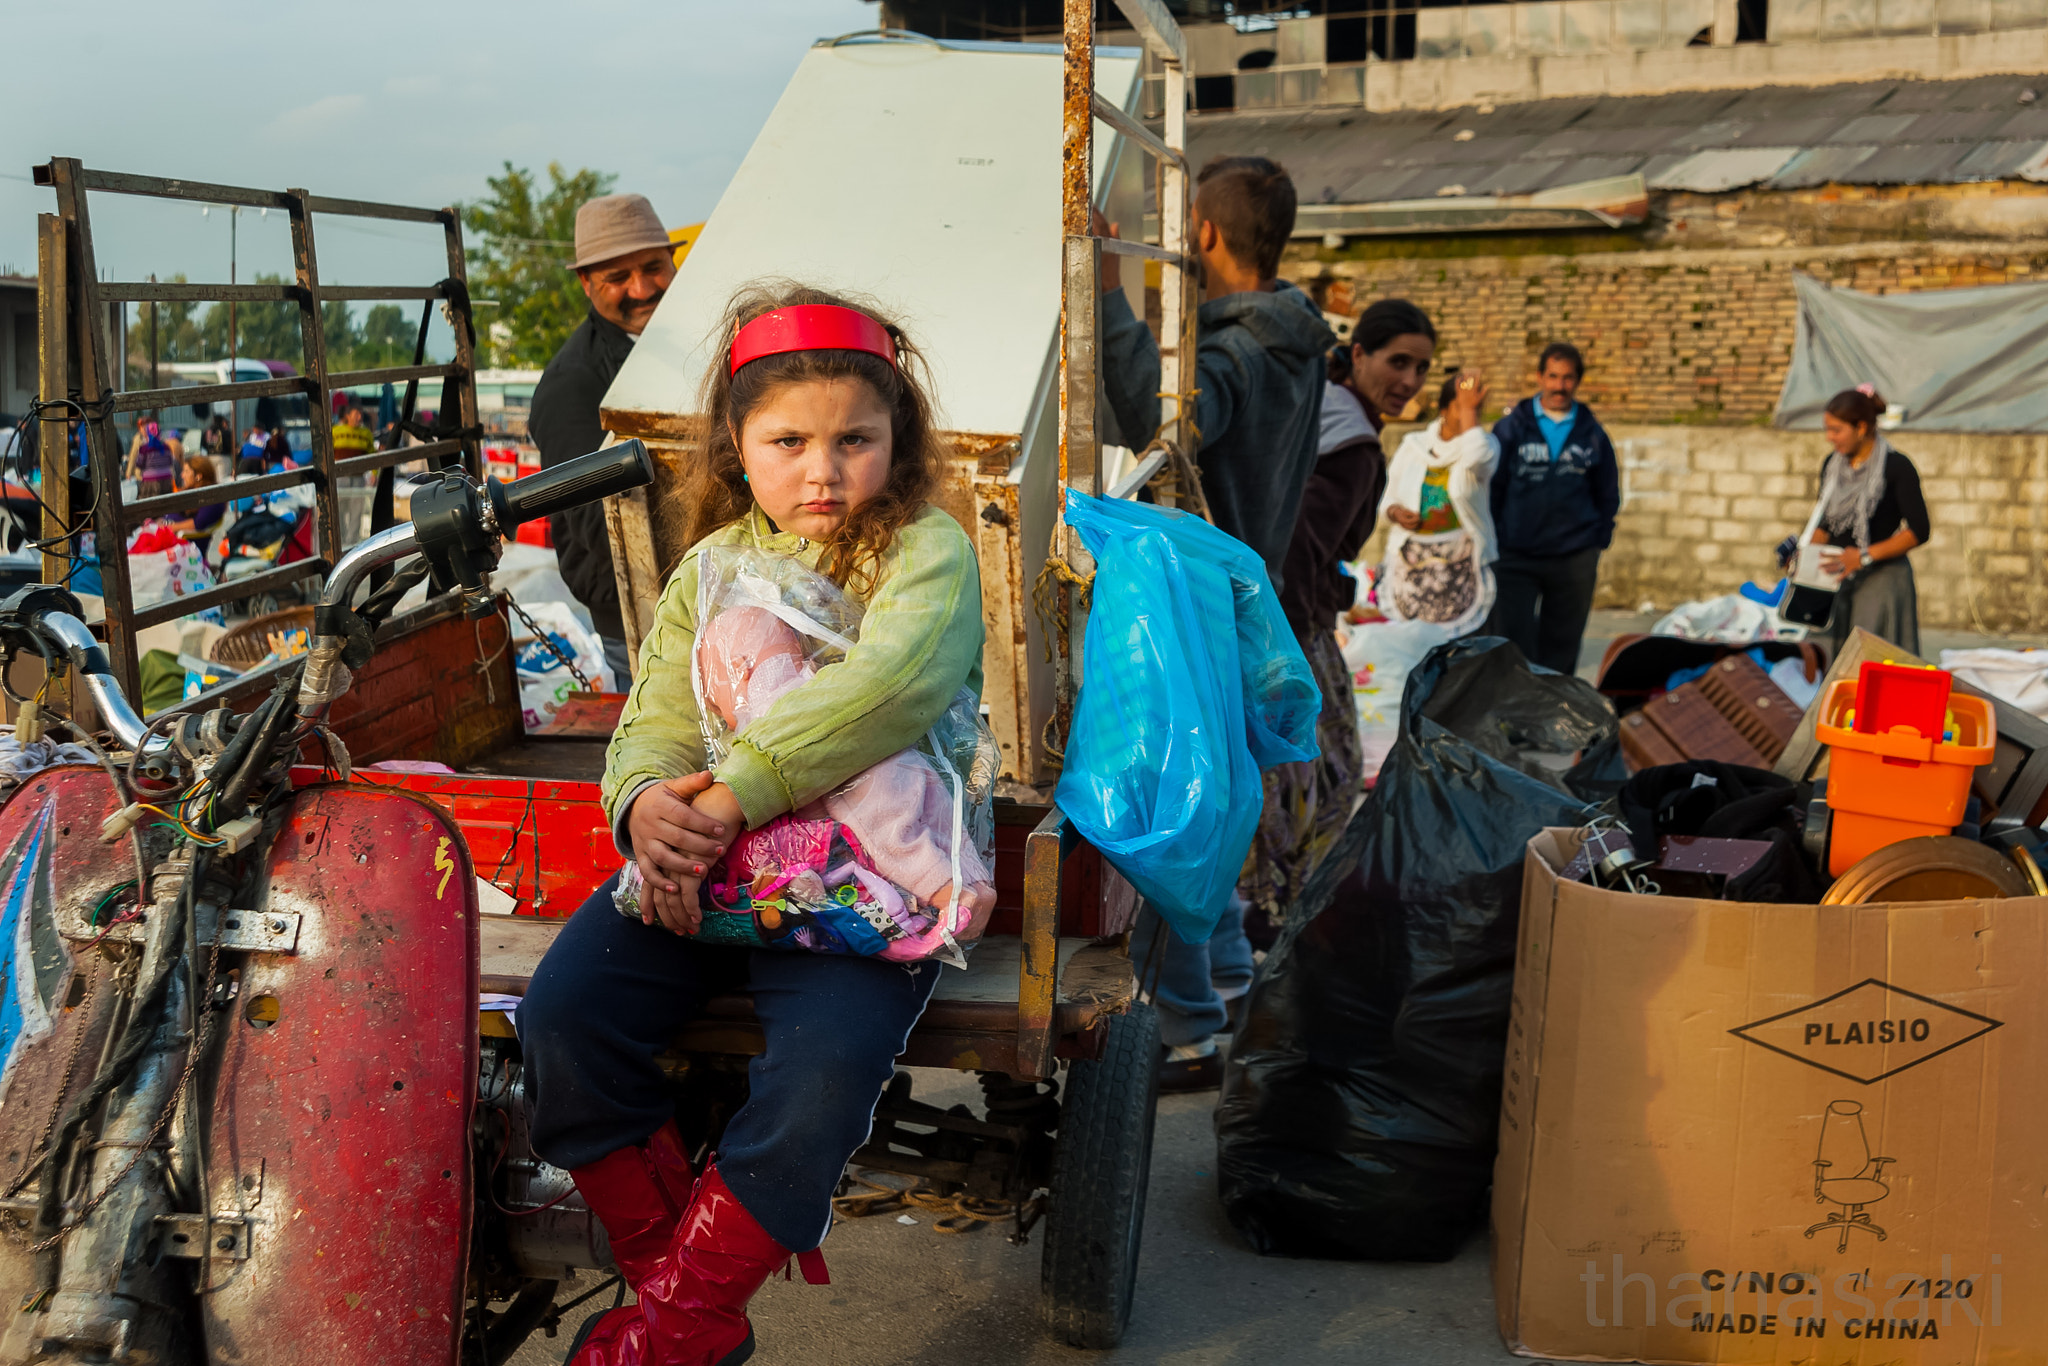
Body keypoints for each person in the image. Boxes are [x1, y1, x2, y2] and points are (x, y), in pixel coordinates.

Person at [516, 283, 993, 1366]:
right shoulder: (707, 566)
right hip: (713, 864)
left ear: (896, 440)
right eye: (788, 441)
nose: (822, 470)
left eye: (854, 440)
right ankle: (682, 1305)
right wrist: (646, 807)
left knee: (820, 1073)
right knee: (564, 1018)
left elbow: (889, 688)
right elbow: (658, 718)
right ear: (737, 444)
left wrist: (731, 796)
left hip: (867, 878)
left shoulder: (923, 551)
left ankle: (669, 1332)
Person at [1093, 154, 1334, 1090]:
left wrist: (1110, 297)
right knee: (1213, 799)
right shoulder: (1295, 338)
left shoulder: (1233, 350)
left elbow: (1159, 425)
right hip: (1244, 599)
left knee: (1164, 821)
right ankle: (1230, 979)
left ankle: (1188, 1029)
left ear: (1199, 234)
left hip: (1199, 613)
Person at [1242, 299, 1437, 952]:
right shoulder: (1351, 443)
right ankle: (1277, 916)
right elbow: (1299, 547)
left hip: (1280, 617)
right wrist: (1288, 654)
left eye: (1421, 368)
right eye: (1397, 361)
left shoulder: (1325, 406)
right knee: (1324, 773)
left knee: (1298, 772)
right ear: (1358, 355)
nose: (1408, 381)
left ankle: (1270, 914)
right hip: (1291, 628)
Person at [531, 193, 679, 689]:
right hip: (642, 618)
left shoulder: (687, 341)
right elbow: (600, 527)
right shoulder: (572, 385)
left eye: (653, 267)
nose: (641, 288)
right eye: (618, 278)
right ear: (586, 283)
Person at [1487, 341, 1619, 675]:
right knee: (1513, 642)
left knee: (1562, 645)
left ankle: (1555, 717)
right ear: (1540, 377)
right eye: (1553, 376)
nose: (1559, 386)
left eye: (1568, 378)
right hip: (1516, 557)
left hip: (1573, 557)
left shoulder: (1592, 434)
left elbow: (1607, 491)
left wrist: (1596, 540)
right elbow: (1493, 486)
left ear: (1577, 381)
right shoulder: (1511, 429)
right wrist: (1498, 538)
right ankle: (1515, 715)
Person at [1788, 384, 1929, 655]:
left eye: (1837, 430)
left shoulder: (1897, 467)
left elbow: (1919, 530)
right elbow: (1826, 524)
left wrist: (1862, 557)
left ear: (1862, 428)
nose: (1830, 438)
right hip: (1838, 576)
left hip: (1882, 578)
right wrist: (1802, 559)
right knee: (1827, 659)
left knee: (1871, 662)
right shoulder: (1833, 466)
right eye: (1827, 429)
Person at [1379, 369, 1500, 633]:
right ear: (1443, 409)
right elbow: (1387, 496)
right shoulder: (1413, 446)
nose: (1471, 414)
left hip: (1461, 565)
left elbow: (1475, 457)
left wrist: (1469, 413)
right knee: (1412, 642)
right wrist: (1395, 511)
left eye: (1476, 409)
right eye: (1463, 407)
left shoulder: (1485, 446)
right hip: (1412, 562)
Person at [167, 454, 226, 539]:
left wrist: (169, 527)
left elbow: (199, 522)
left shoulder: (211, 497)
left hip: (185, 542)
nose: (182, 475)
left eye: (186, 471)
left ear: (198, 476)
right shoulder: (192, 491)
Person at [126, 414, 182, 499]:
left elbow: (139, 463)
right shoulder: (165, 446)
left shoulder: (144, 448)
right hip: (166, 481)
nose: (143, 429)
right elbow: (170, 461)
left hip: (150, 482)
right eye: (141, 427)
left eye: (145, 427)